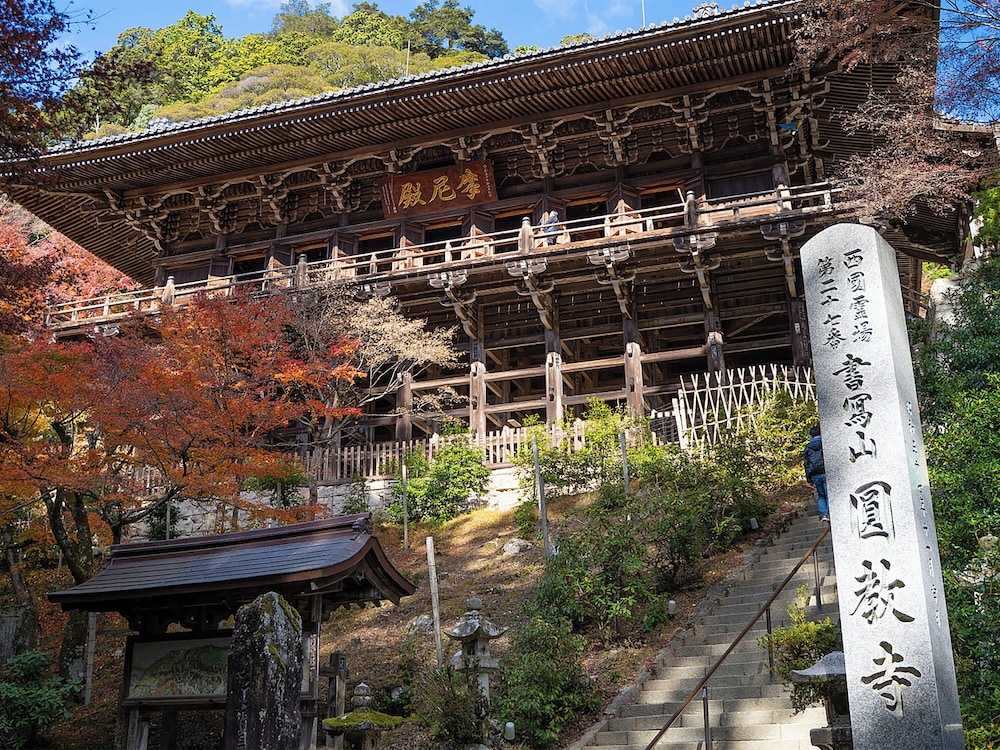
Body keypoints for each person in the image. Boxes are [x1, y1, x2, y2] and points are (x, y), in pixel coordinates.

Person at [804, 425, 829, 522]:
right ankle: (832, 513)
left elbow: (806, 464)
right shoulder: (825, 444)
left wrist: (809, 479)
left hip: (815, 474)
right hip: (826, 471)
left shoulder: (808, 448)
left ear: (811, 436)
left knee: (821, 495)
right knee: (828, 494)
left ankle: (824, 515)